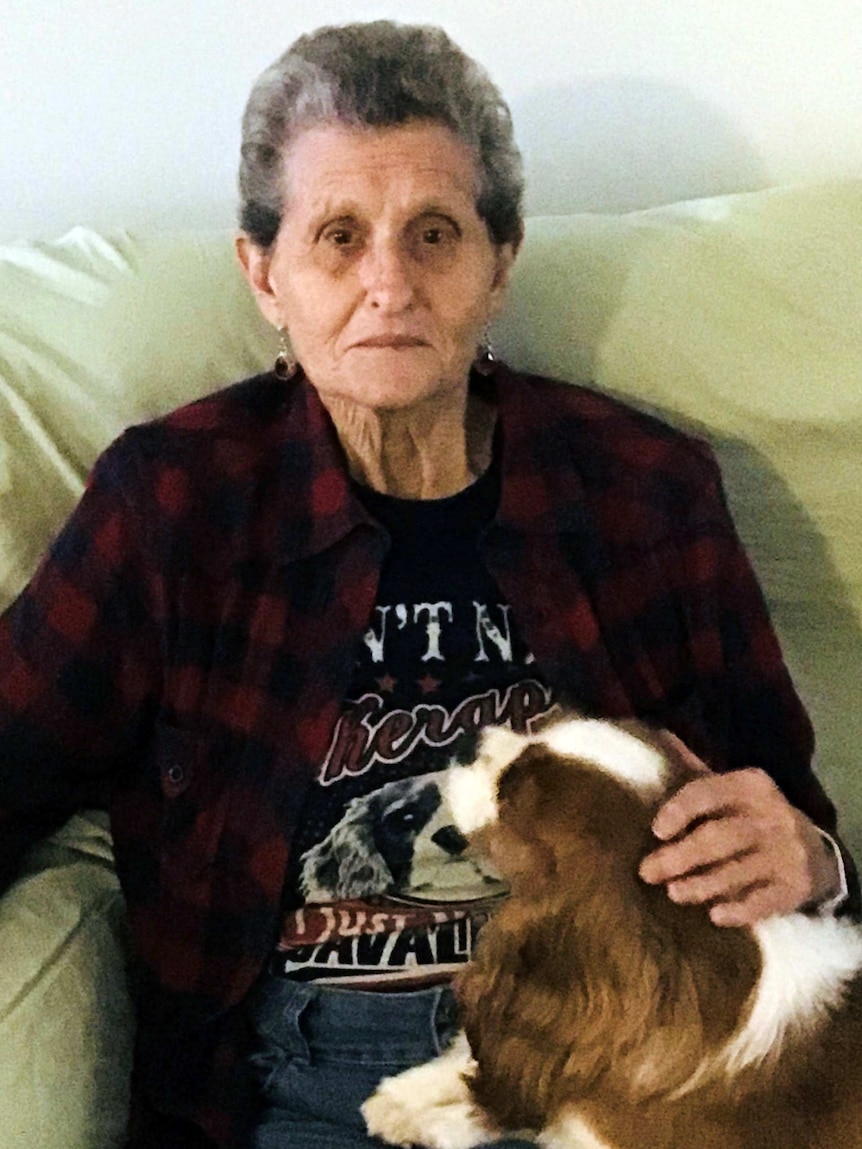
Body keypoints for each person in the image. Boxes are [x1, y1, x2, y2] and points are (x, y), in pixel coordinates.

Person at [0, 20, 856, 1149]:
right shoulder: (178, 504)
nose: (388, 284)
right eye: (339, 238)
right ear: (265, 274)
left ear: (499, 265)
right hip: (324, 1067)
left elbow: (779, 806)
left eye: (435, 234)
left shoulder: (642, 490)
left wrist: (815, 860)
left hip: (632, 1049)